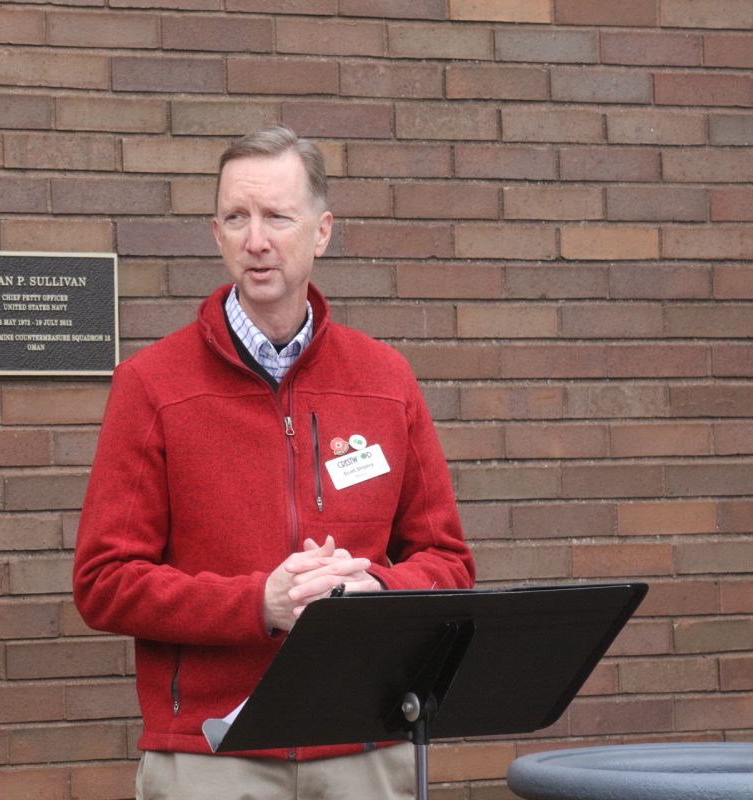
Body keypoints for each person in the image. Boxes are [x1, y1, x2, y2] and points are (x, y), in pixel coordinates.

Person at [73, 126, 475, 799]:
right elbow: (103, 581)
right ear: (216, 233)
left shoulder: (386, 379)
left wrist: (377, 594)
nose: (255, 240)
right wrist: (258, 603)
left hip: (364, 746)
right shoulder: (152, 385)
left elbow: (448, 561)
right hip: (212, 756)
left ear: (322, 232)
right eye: (237, 217)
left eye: (277, 217)